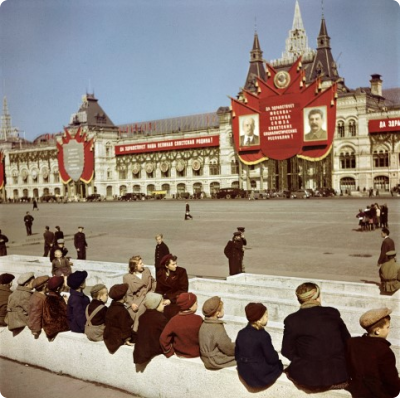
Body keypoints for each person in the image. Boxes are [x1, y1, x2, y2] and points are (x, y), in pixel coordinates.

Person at [281, 282, 350, 391]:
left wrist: (304, 359)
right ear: (317, 297)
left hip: (309, 378)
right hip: (338, 375)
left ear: (299, 299)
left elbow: (286, 350)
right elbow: (347, 340)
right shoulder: (332, 313)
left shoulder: (292, 320)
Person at [346, 307, 400, 397]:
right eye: (387, 327)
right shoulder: (384, 351)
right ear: (377, 331)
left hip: (358, 392)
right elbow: (391, 381)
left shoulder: (352, 342)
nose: (388, 330)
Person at [235, 302, 283, 389]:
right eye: (266, 316)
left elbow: (237, 354)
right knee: (279, 365)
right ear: (259, 319)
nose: (267, 318)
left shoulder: (241, 333)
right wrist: (276, 355)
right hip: (257, 376)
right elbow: (272, 359)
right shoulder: (263, 336)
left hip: (244, 370)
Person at [159, 292, 203, 358]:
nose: (197, 305)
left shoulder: (174, 320)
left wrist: (169, 352)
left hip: (179, 353)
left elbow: (163, 338)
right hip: (196, 353)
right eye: (196, 303)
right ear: (190, 306)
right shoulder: (199, 319)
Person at [199, 296, 236, 370]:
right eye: (222, 309)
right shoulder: (217, 328)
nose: (223, 310)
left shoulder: (204, 324)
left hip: (204, 357)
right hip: (214, 361)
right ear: (218, 313)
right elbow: (227, 348)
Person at [133, 292, 169, 364]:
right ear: (155, 304)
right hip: (153, 349)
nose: (164, 305)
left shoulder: (143, 316)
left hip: (141, 351)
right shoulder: (160, 318)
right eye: (162, 303)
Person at [123, 255, 156, 331]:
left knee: (140, 311)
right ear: (135, 266)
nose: (143, 265)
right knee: (132, 312)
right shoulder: (127, 277)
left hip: (149, 296)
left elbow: (153, 282)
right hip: (137, 300)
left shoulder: (146, 270)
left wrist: (154, 291)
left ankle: (135, 332)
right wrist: (132, 304)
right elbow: (128, 294)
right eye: (140, 263)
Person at [103, 283, 136, 354]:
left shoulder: (111, 307)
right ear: (124, 297)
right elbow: (125, 326)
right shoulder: (122, 311)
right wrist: (127, 339)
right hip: (117, 337)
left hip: (109, 335)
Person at [155, 254, 188, 320]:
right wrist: (160, 300)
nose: (175, 266)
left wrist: (170, 300)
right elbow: (158, 289)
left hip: (175, 300)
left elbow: (183, 290)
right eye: (173, 264)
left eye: (176, 263)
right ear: (166, 266)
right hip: (163, 300)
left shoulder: (181, 272)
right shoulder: (160, 273)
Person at [42, 276, 70, 341]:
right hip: (55, 328)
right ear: (58, 288)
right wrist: (67, 303)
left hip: (48, 326)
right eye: (62, 286)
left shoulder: (47, 296)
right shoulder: (56, 299)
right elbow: (66, 313)